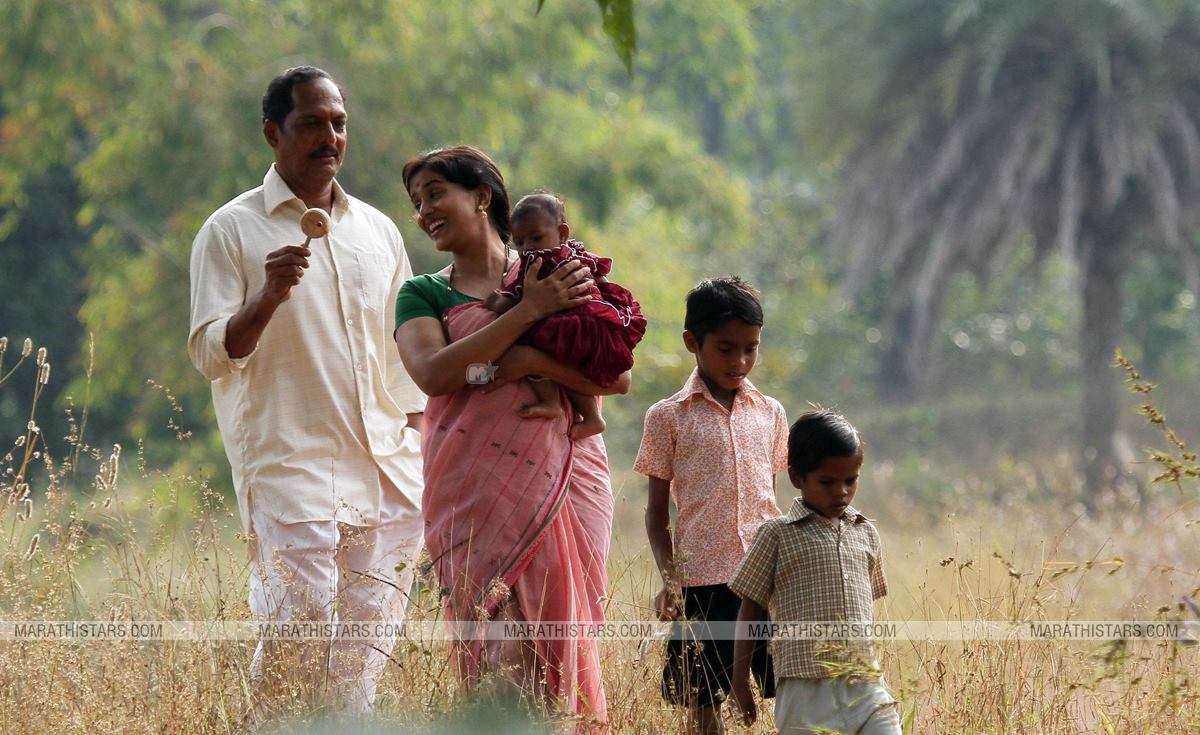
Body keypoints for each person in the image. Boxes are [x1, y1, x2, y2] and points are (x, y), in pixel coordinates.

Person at [187, 66, 426, 715]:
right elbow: (212, 351)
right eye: (311, 123)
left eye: (338, 122)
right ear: (273, 132)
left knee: (361, 660)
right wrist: (266, 298)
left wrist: (422, 438)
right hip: (288, 463)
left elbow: (403, 350)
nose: (330, 136)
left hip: (385, 467)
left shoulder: (377, 231)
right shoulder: (230, 230)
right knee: (296, 638)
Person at [393, 146, 625, 730]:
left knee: (562, 653)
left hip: (567, 480)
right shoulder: (423, 294)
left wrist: (519, 364)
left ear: (481, 196)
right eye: (418, 202)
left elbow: (614, 373)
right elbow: (435, 374)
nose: (425, 210)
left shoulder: (549, 266)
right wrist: (525, 321)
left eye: (436, 192)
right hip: (472, 490)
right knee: (504, 663)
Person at [634, 277, 788, 735]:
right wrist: (671, 580)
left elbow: (770, 496)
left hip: (767, 578)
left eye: (750, 348)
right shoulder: (668, 416)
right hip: (703, 581)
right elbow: (656, 515)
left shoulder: (770, 411)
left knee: (789, 686)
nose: (739, 361)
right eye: (725, 348)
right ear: (691, 343)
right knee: (702, 699)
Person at [729, 410, 902, 735]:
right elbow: (749, 609)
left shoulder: (865, 532)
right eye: (827, 482)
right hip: (805, 689)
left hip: (865, 685)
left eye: (851, 480)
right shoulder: (777, 534)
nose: (842, 492)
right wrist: (740, 681)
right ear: (797, 478)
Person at [481, 190, 646, 440]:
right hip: (594, 325)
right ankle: (592, 416)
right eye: (520, 243)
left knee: (532, 344)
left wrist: (498, 303)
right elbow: (602, 280)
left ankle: (551, 401)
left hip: (566, 327)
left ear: (563, 233)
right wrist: (612, 310)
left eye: (536, 238)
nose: (527, 249)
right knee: (567, 366)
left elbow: (521, 299)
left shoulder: (537, 263)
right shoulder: (579, 254)